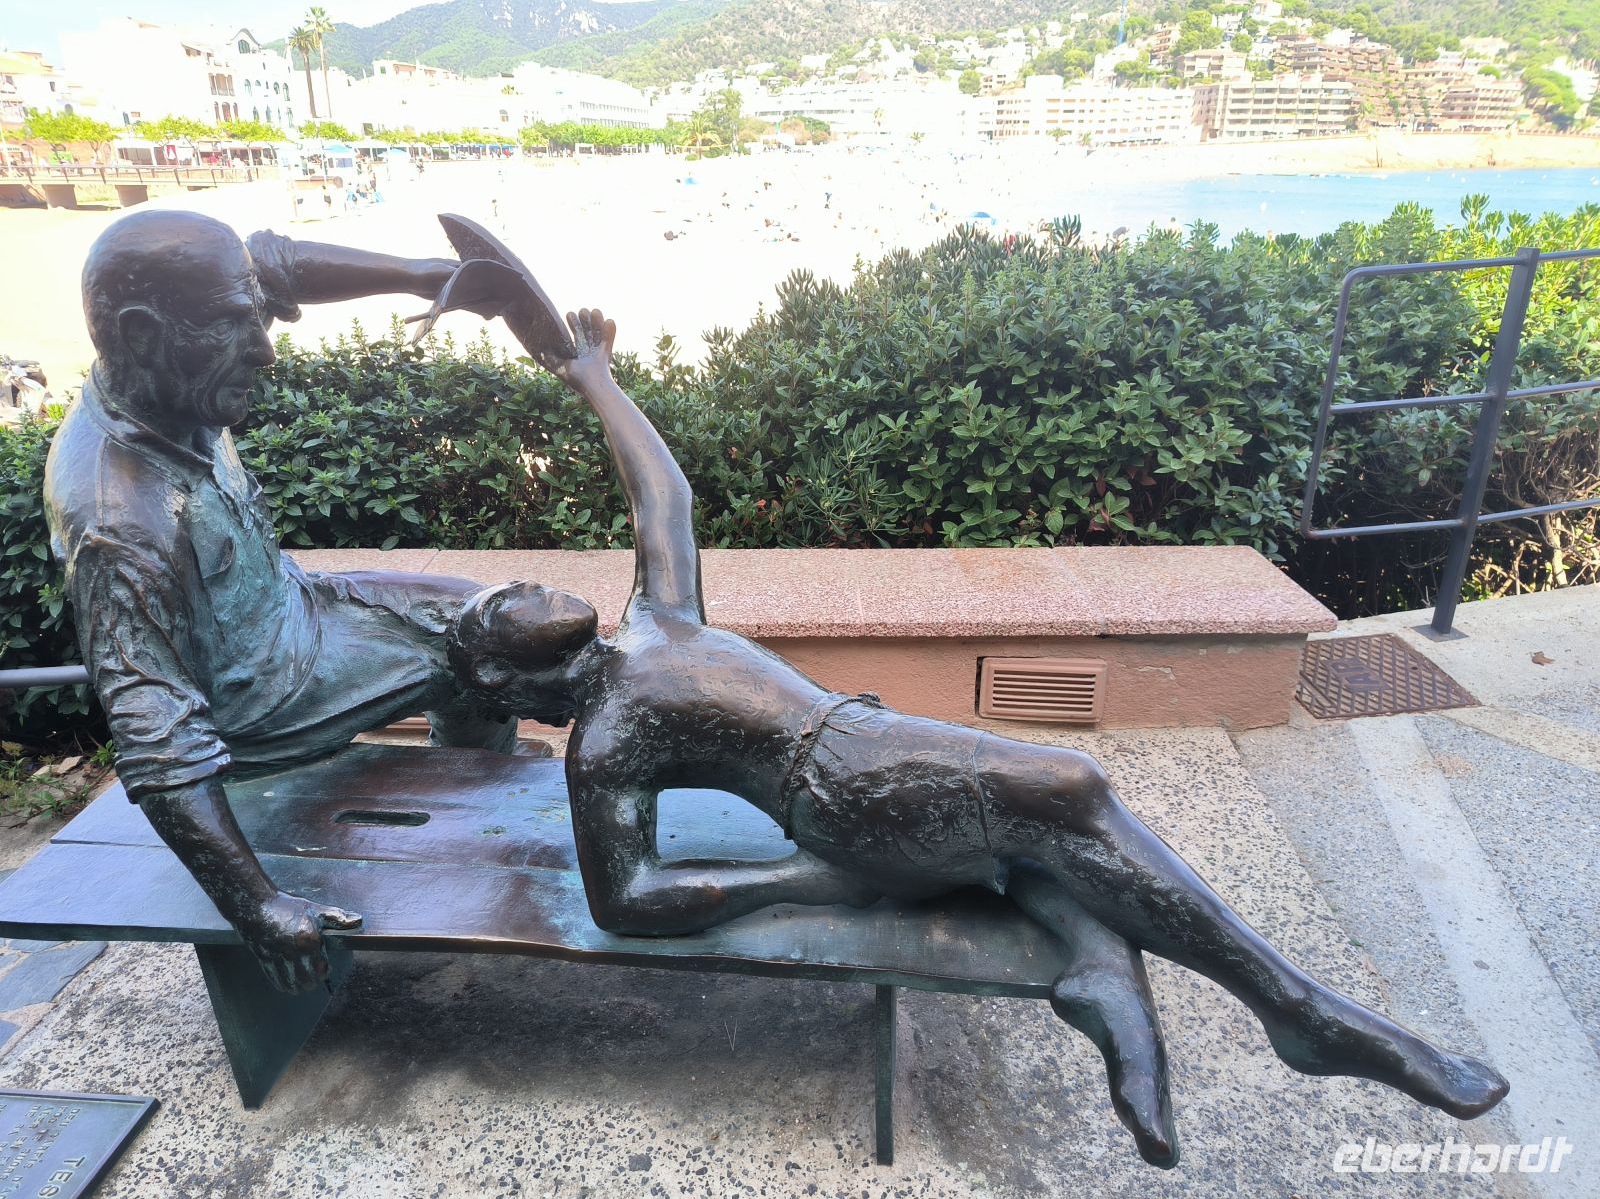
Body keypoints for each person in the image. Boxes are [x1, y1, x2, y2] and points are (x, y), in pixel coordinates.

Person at [437, 261, 1509, 1166]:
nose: (519, 587)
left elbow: (662, 494)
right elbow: (623, 902)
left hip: (868, 745)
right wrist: (803, 878)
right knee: (1068, 787)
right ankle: (1297, 1010)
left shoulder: (654, 621)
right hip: (842, 797)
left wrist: (594, 378)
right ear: (505, 674)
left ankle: (1101, 974)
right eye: (500, 607)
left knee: (1037, 837)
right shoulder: (606, 743)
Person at [45, 209, 519, 994]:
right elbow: (160, 739)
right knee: (491, 651)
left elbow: (276, 263)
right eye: (235, 326)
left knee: (489, 617)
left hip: (296, 609)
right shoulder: (118, 518)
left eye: (255, 316)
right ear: (140, 334)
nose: (264, 349)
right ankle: (465, 814)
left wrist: (426, 276)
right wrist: (259, 906)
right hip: (256, 705)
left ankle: (463, 786)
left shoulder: (173, 367)